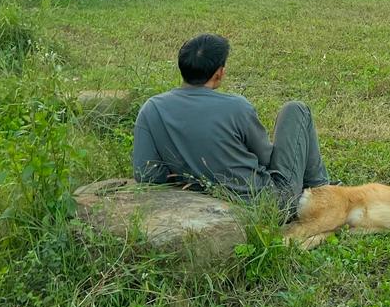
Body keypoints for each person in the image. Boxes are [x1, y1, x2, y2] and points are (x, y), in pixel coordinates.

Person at [133, 33, 332, 216]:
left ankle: (324, 194)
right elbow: (266, 158)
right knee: (296, 109)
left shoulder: (151, 109)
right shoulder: (236, 107)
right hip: (271, 203)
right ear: (219, 73)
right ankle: (324, 194)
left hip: (203, 203)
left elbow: (148, 175)